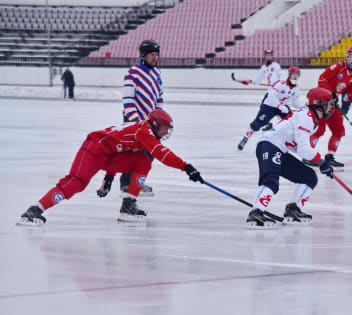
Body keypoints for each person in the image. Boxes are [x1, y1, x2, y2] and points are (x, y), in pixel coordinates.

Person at [17, 109, 204, 226]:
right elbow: (161, 153)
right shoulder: (145, 132)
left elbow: (117, 148)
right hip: (92, 149)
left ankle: (128, 205)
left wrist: (109, 177)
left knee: (142, 161)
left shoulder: (144, 131)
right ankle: (35, 210)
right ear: (155, 124)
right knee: (77, 183)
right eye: (164, 128)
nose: (166, 132)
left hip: (107, 154)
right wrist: (186, 167)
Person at [246, 87, 335, 228]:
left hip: (280, 149)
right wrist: (321, 162)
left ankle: (294, 209)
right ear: (319, 103)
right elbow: (304, 149)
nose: (332, 107)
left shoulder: (311, 120)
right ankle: (256, 212)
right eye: (329, 103)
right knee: (271, 180)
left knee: (309, 177)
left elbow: (298, 147)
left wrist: (315, 160)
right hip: (269, 145)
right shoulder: (307, 118)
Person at [98, 39, 162, 198]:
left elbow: (159, 96)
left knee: (150, 154)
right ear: (143, 56)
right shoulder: (133, 73)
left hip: (151, 123)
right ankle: (126, 184)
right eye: (152, 55)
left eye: (156, 54)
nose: (155, 58)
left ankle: (136, 180)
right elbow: (128, 99)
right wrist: (134, 121)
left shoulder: (157, 72)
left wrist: (158, 117)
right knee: (135, 153)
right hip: (135, 121)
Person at [307, 46, 352, 168]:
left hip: (333, 103)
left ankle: (330, 157)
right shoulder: (337, 67)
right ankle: (308, 156)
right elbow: (322, 79)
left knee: (339, 130)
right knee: (320, 130)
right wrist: (330, 93)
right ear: (347, 57)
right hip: (322, 101)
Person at [237, 66, 302, 150]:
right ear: (289, 75)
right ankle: (245, 139)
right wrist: (280, 106)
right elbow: (271, 96)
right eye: (293, 74)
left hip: (282, 107)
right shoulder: (281, 83)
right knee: (258, 123)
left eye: (297, 75)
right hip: (269, 105)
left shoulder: (296, 88)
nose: (295, 77)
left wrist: (303, 108)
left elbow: (295, 101)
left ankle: (290, 142)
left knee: (291, 120)